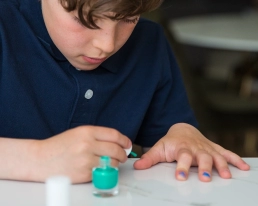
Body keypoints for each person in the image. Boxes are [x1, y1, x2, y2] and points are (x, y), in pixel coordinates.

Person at [0, 0, 249, 184]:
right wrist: (37, 158)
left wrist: (184, 135)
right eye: (86, 20)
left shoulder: (149, 43)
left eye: (129, 19)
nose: (106, 45)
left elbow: (171, 132)